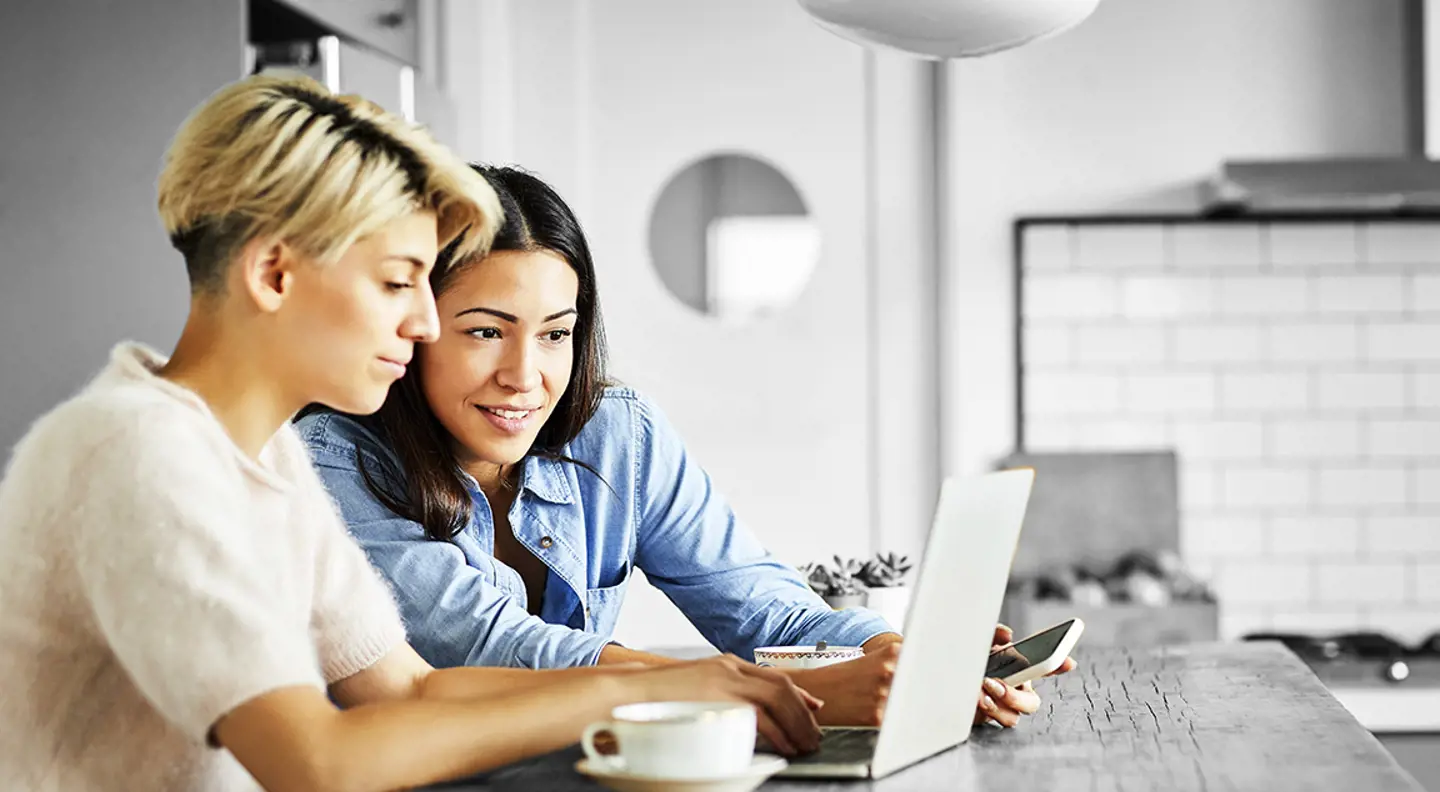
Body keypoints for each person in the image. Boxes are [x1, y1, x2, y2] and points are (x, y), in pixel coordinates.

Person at [0, 75, 822, 792]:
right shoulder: (139, 453)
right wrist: (639, 690)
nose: (426, 321)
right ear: (274, 273)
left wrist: (691, 684)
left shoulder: (264, 457)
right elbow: (317, 765)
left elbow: (407, 691)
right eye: (398, 281)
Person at [298, 165, 1070, 730]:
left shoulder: (615, 432)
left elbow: (763, 607)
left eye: (557, 334)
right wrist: (760, 692)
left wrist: (908, 658)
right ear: (418, 326)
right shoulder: (334, 459)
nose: (525, 377)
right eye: (485, 332)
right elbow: (490, 648)